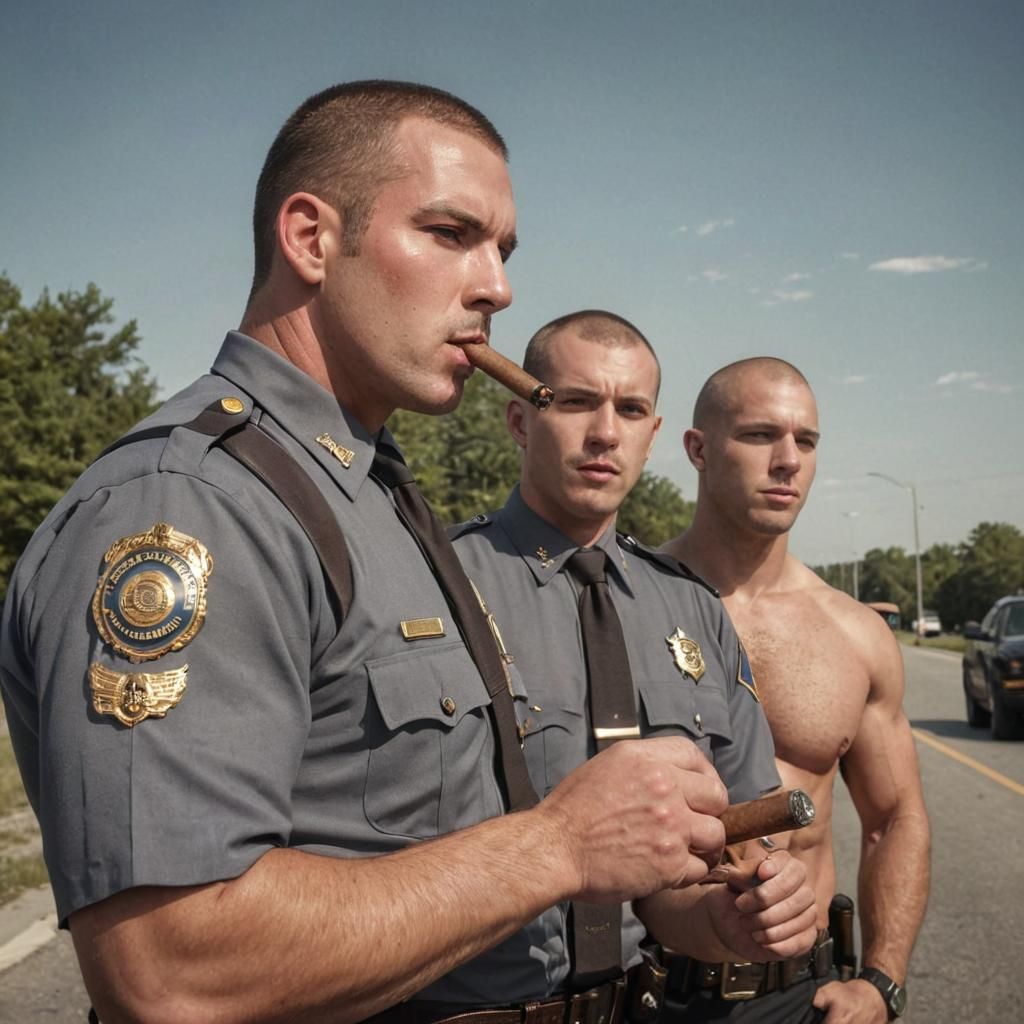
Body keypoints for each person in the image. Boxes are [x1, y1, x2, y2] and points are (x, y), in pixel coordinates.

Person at [1, 80, 741, 1024]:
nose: (497, 287)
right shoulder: (197, 503)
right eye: (449, 233)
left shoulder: (367, 493)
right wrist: (556, 845)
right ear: (310, 237)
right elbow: (172, 971)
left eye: (503, 250)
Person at [449, 312, 819, 989]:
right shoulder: (434, 583)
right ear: (518, 421)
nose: (604, 433)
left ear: (653, 438)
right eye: (575, 402)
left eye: (631, 409)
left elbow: (717, 851)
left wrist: (733, 916)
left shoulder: (692, 609)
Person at [659, 357, 931, 1022]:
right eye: (759, 436)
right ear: (697, 449)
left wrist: (882, 979)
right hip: (643, 986)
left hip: (796, 994)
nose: (789, 461)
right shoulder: (623, 603)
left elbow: (894, 818)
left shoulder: (855, 634)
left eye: (805, 442)